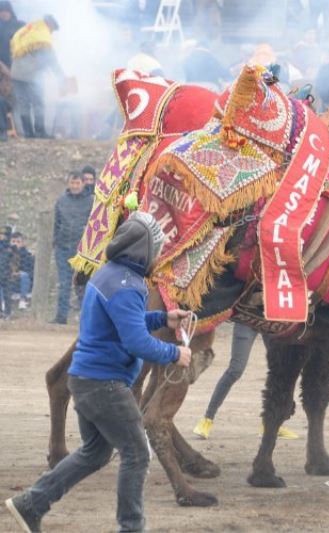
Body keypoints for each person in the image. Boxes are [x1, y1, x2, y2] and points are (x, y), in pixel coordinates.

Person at [4, 212, 193, 533]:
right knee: (136, 454)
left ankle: (31, 504)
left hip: (85, 380)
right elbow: (136, 342)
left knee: (95, 453)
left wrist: (163, 319)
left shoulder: (109, 275)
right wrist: (176, 353)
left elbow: (125, 325)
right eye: (157, 248)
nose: (159, 255)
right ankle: (131, 527)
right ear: (143, 249)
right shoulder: (129, 285)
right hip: (105, 385)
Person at [193, 322, 298, 440]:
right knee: (235, 370)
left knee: (280, 369)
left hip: (270, 318)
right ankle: (207, 419)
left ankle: (271, 424)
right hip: (247, 318)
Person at [9, 14, 65, 138]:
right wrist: (61, 78)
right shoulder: (42, 36)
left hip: (16, 73)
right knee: (38, 103)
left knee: (24, 104)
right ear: (49, 24)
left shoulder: (28, 31)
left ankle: (28, 134)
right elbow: (51, 60)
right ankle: (40, 132)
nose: (52, 32)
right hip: (31, 76)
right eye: (53, 29)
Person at [52, 171, 93, 324]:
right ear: (68, 183)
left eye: (78, 183)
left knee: (83, 284)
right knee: (64, 283)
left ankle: (86, 319)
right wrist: (55, 242)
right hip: (63, 247)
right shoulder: (61, 201)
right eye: (72, 183)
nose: (75, 186)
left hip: (83, 250)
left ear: (83, 184)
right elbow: (56, 223)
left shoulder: (91, 201)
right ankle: (61, 317)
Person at [0, 231, 33, 316]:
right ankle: (3, 302)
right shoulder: (5, 253)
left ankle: (22, 300)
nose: (15, 244)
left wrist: (19, 273)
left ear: (23, 243)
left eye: (18, 242)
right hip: (7, 280)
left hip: (21, 283)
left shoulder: (27, 255)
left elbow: (30, 271)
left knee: (24, 276)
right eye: (13, 241)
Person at [0, 1, 24, 69]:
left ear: (11, 12)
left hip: (18, 67)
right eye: (1, 11)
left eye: (6, 10)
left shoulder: (21, 26)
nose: (4, 13)